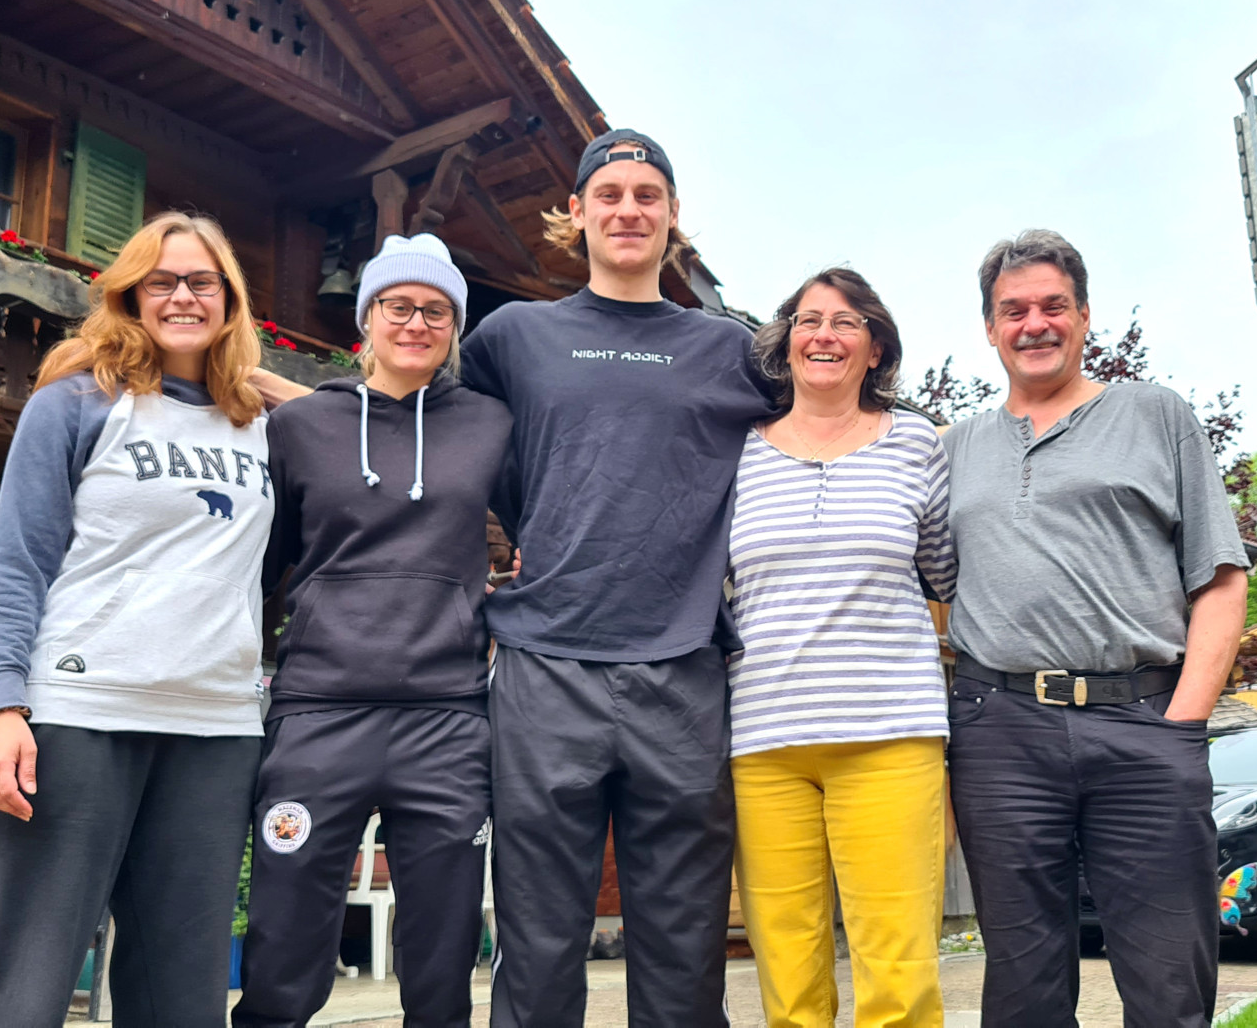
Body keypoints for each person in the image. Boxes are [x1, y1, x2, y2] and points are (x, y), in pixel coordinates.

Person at [461, 129, 775, 1026]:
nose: (628, 210)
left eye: (647, 195)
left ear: (674, 216)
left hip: (682, 666)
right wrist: (521, 534)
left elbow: (817, 437)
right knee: (538, 937)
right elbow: (453, 448)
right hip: (544, 662)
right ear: (577, 212)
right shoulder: (513, 337)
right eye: (609, 194)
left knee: (683, 943)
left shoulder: (729, 348)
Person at [0, 212, 273, 1026]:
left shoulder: (261, 425)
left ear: (231, 299)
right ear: (131, 295)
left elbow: (361, 433)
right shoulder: (76, 403)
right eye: (161, 282)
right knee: (28, 990)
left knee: (183, 1000)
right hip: (79, 713)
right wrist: (0, 706)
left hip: (215, 729)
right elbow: (17, 559)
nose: (183, 297)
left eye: (202, 282)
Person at [942, 230, 1249, 1028]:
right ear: (989, 328)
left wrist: (1183, 723)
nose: (1034, 324)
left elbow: (1220, 578)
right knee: (1023, 991)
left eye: (1053, 306)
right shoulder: (955, 447)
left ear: (1083, 317)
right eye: (1014, 310)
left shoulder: (1155, 414)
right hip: (1000, 732)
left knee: (1169, 982)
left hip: (1143, 720)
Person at [233, 233, 511, 1028]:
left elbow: (545, 531)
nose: (416, 322)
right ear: (367, 318)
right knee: (284, 945)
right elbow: (257, 568)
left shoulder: (491, 424)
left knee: (443, 955)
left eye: (436, 310)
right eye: (398, 305)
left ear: (454, 327)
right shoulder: (301, 427)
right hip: (319, 711)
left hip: (447, 718)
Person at [726, 268, 957, 1028]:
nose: (824, 335)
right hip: (763, 741)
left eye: (846, 322)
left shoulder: (917, 442)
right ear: (787, 340)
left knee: (898, 974)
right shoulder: (736, 451)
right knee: (788, 979)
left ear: (875, 347)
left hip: (890, 735)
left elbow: (946, 574)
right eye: (809, 320)